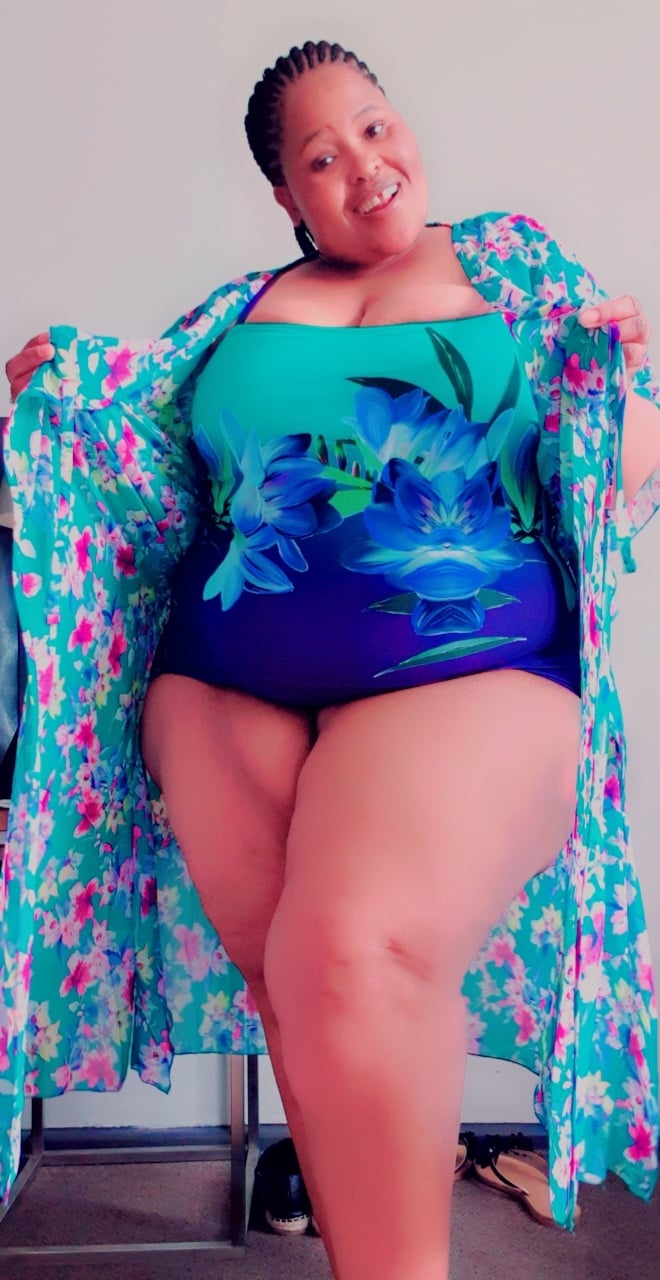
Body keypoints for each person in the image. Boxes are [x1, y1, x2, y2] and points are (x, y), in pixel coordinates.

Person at [4, 39, 660, 1280]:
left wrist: (619, 384)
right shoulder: (234, 309)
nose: (365, 163)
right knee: (302, 989)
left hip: (466, 668)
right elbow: (154, 472)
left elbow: (623, 462)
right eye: (322, 155)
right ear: (285, 195)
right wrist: (61, 400)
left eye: (374, 124)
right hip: (221, 677)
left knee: (348, 955)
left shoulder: (515, 265)